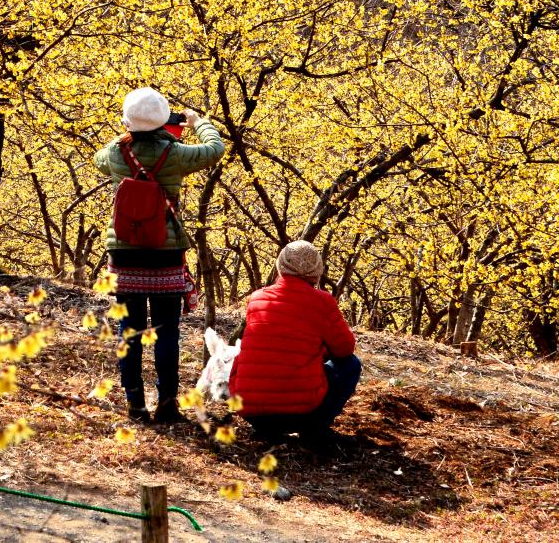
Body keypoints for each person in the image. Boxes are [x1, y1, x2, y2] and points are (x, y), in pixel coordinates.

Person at [94, 87, 225, 423]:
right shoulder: (177, 153)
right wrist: (199, 122)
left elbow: (99, 160)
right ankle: (167, 401)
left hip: (123, 256)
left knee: (130, 331)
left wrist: (127, 133)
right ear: (162, 119)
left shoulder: (116, 152)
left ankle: (135, 403)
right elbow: (215, 148)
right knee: (167, 331)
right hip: (165, 255)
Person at [227, 240, 361, 444]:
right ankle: (316, 429)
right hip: (300, 412)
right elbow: (344, 350)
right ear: (316, 272)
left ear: (280, 267)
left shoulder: (256, 298)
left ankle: (268, 429)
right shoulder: (322, 302)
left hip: (249, 408)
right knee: (351, 365)